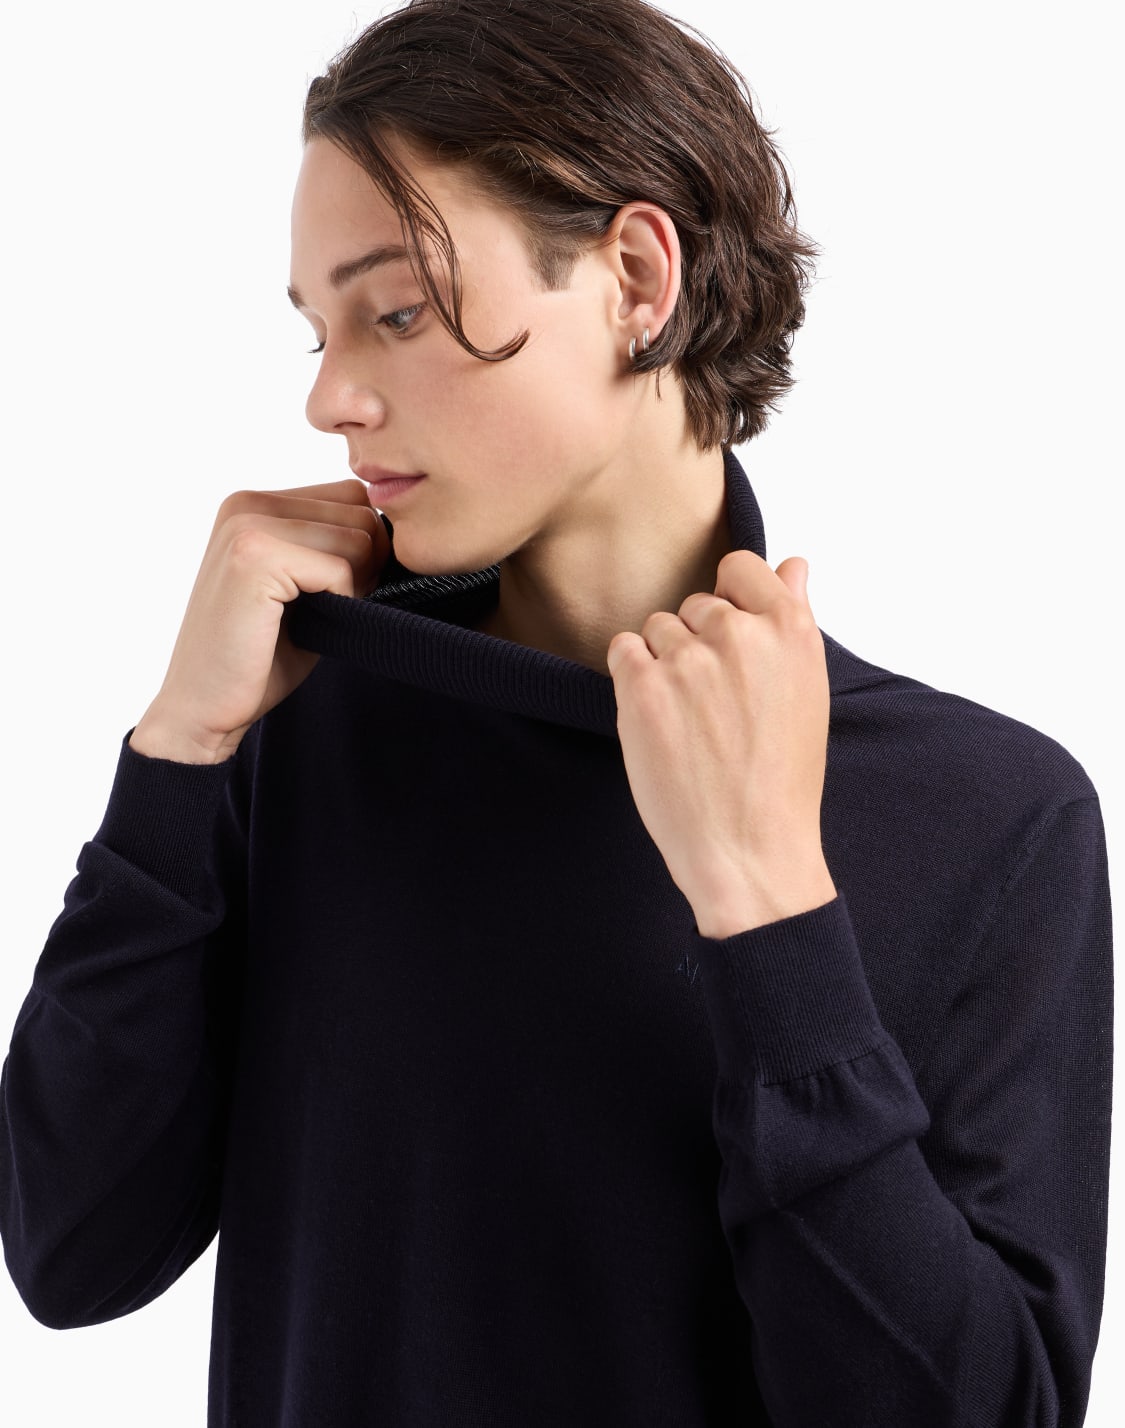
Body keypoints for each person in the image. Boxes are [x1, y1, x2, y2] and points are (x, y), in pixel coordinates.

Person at [0, 0, 1113, 1423]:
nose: (331, 398)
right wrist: (177, 756)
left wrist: (770, 910)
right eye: (318, 332)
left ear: (636, 279)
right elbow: (70, 1253)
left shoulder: (989, 815)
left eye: (398, 312)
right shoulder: (306, 724)